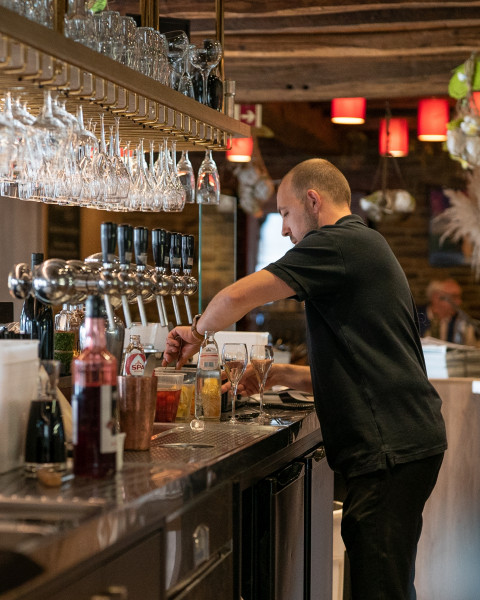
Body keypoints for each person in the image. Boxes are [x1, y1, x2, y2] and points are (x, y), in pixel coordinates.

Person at [163, 158, 447, 600]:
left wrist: (195, 333)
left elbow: (237, 295)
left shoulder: (334, 243)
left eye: (285, 213)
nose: (282, 230)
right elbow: (360, 366)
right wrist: (275, 374)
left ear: (313, 201)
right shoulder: (361, 244)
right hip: (404, 442)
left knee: (380, 590)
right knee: (384, 586)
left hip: (390, 449)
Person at [417, 278, 477, 345]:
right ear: (436, 297)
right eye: (454, 297)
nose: (459, 302)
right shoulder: (416, 317)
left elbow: (472, 349)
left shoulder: (461, 322)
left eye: (459, 297)